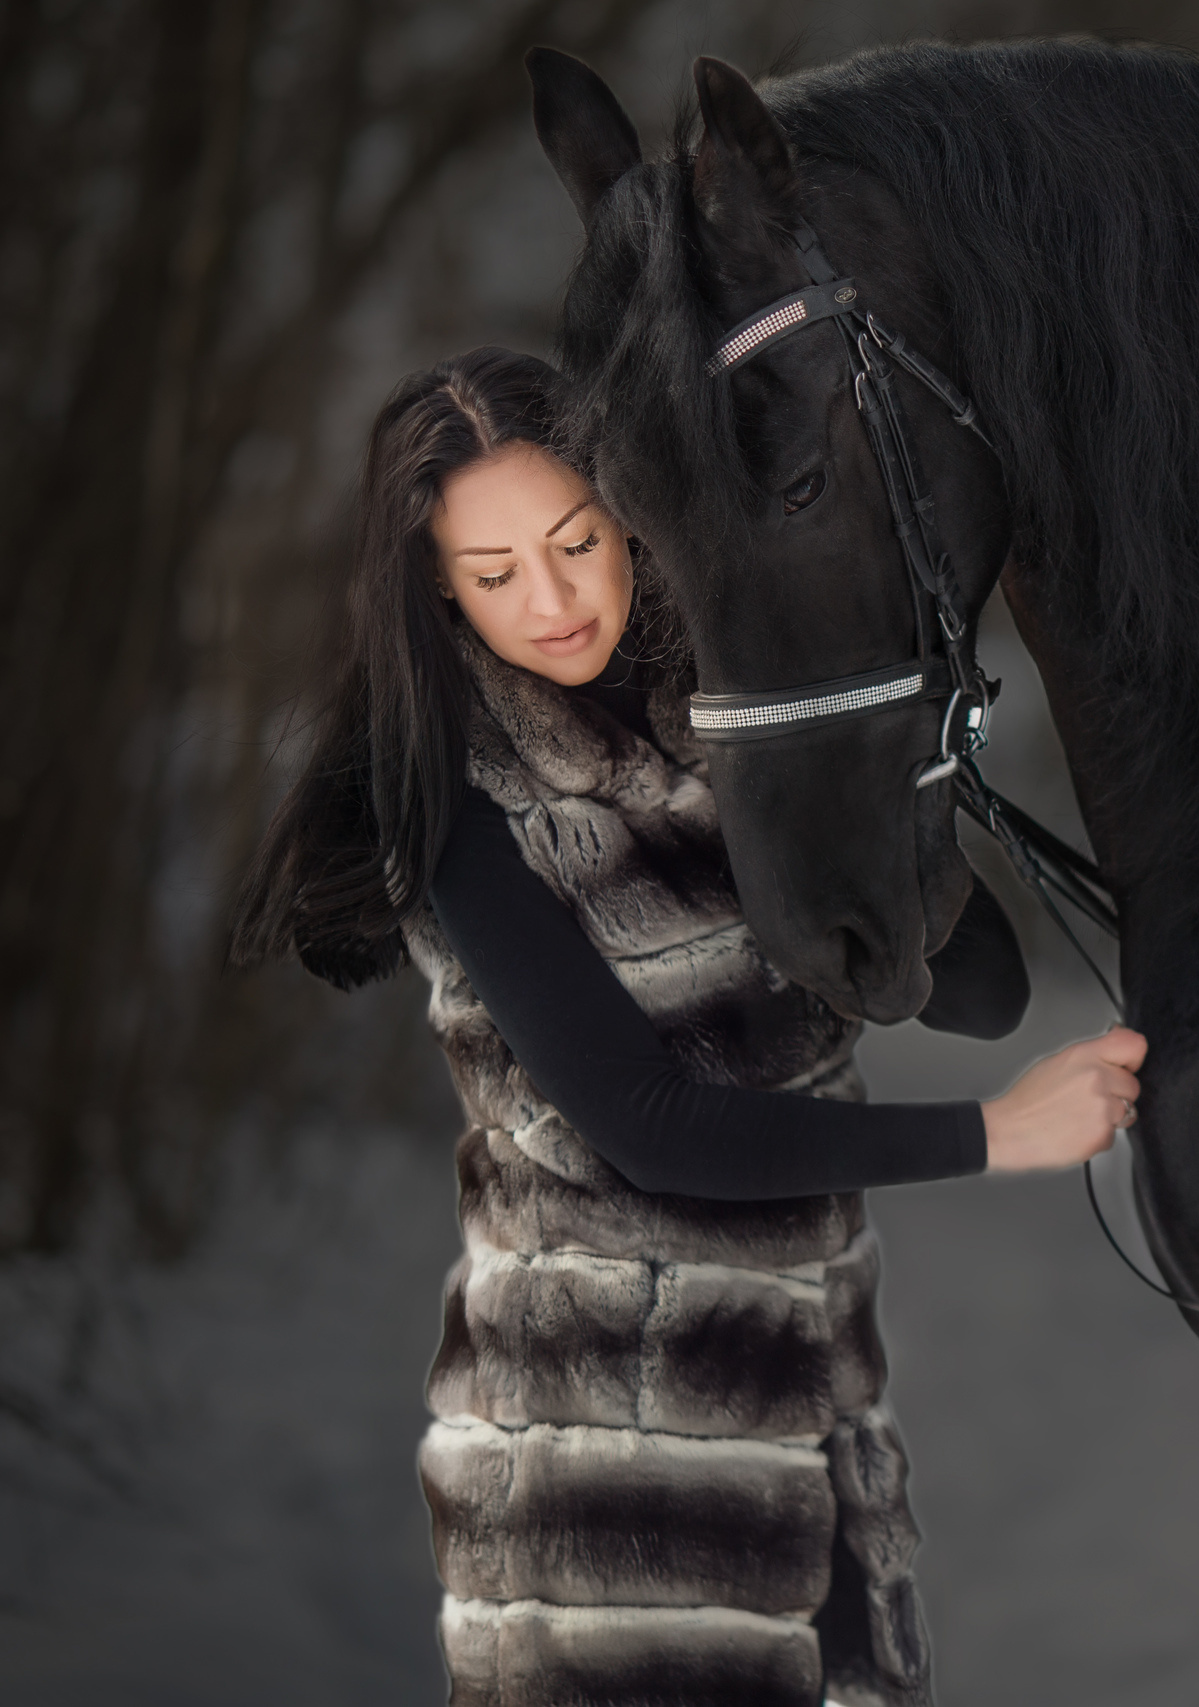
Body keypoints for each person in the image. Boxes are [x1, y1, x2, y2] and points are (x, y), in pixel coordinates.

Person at [232, 345, 1144, 1705]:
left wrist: (868, 755)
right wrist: (998, 1136)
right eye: (495, 576)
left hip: (801, 1413)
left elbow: (975, 988)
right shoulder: (464, 810)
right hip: (606, 1475)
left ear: (631, 518)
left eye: (576, 542)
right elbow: (652, 1131)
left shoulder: (716, 718)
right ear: (437, 588)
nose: (552, 601)